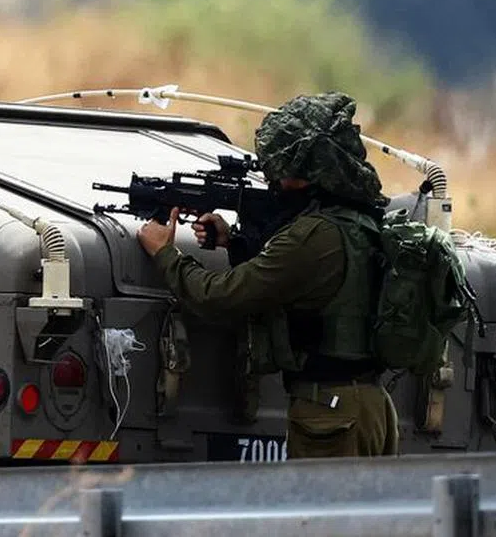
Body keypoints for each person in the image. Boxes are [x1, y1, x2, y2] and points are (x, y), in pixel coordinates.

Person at [136, 91, 400, 458]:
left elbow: (219, 297)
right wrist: (237, 244)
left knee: (319, 516)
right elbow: (310, 283)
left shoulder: (312, 236)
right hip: (368, 405)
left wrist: (165, 252)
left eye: (283, 171)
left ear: (309, 173)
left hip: (331, 412)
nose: (275, 181)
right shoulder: (358, 220)